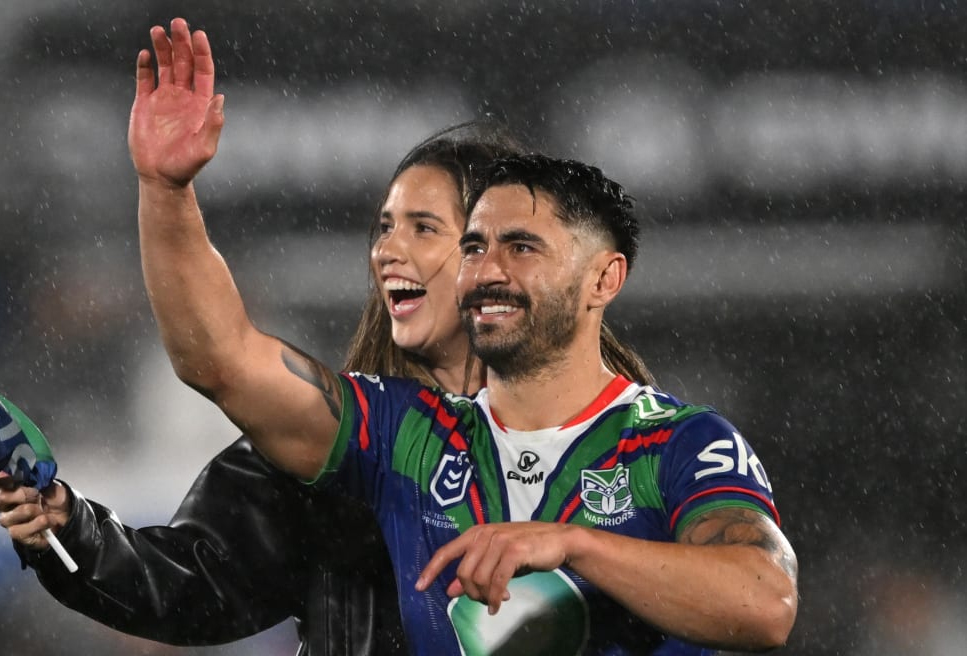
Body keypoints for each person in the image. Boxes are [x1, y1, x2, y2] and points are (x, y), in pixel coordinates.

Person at [125, 18, 798, 656]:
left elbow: (766, 602)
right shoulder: (405, 434)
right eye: (474, 246)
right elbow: (222, 360)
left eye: (523, 247)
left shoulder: (679, 443)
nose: (489, 270)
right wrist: (166, 189)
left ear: (603, 279)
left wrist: (574, 546)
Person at [0, 19, 654, 656]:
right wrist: (66, 528)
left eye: (423, 228)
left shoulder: (640, 446)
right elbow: (184, 578)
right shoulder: (353, 444)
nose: (388, 251)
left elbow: (754, 600)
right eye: (385, 228)